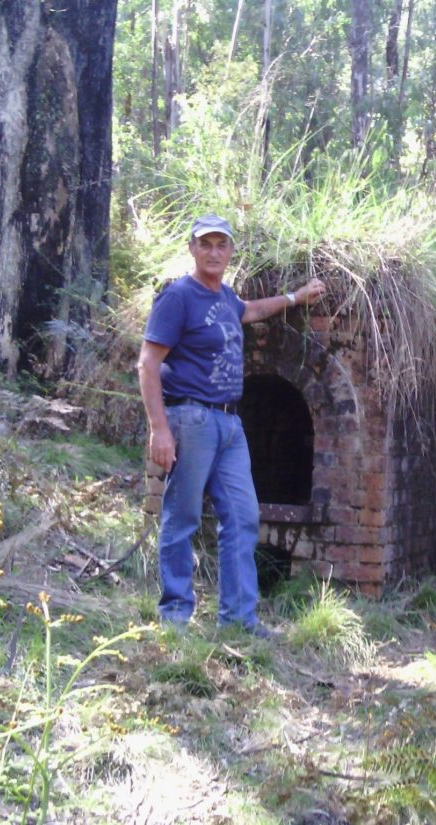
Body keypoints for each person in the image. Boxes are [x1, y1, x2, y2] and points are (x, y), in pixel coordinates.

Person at [137, 214, 326, 636]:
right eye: (206, 244)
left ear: (230, 252)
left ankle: (239, 619)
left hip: (229, 424)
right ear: (192, 249)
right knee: (182, 517)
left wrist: (295, 298)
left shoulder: (225, 297)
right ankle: (174, 618)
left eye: (221, 244)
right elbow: (148, 363)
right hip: (191, 418)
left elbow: (254, 310)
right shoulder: (178, 297)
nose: (214, 251)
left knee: (242, 517)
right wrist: (159, 428)